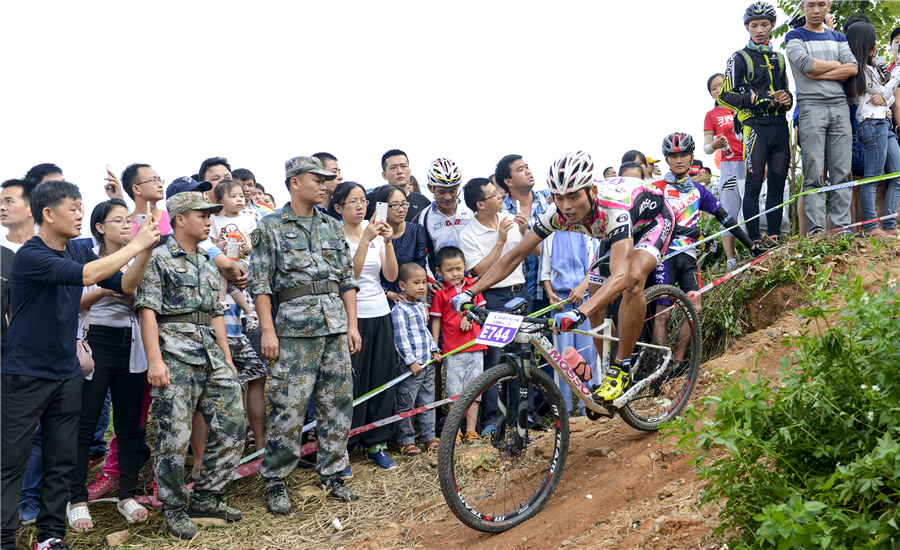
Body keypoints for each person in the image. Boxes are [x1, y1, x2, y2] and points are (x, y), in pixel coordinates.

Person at [1, 180, 159, 550]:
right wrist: (135, 244)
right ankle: (5, 538)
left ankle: (51, 536)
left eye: (81, 206)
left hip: (67, 372)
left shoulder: (75, 249)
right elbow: (88, 278)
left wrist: (145, 251)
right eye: (72, 207)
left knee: (62, 459)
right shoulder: (32, 255)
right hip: (26, 372)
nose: (79, 214)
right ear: (48, 213)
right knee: (11, 461)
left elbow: (123, 284)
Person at [454, 151, 676, 403]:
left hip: (652, 220)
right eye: (559, 198)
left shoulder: (614, 210)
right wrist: (471, 291)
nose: (567, 206)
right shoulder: (555, 214)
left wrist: (577, 312)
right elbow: (515, 255)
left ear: (591, 192)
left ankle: (620, 367)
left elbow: (621, 276)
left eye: (573, 196)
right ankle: (608, 365)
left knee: (634, 280)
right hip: (610, 231)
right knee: (596, 298)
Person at [249, 156, 361, 514]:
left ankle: (333, 473)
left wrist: (352, 324)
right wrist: (268, 329)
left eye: (327, 179)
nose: (325, 184)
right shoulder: (270, 226)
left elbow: (346, 280)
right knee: (288, 407)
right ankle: (276, 480)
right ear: (295, 182)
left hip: (334, 326)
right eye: (318, 179)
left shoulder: (331, 226)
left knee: (337, 403)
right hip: (294, 331)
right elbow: (260, 285)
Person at [136, 190, 244, 539]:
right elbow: (147, 311)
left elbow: (215, 316)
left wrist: (227, 360)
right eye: (203, 214)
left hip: (211, 354)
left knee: (233, 424)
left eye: (211, 214)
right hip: (175, 356)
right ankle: (175, 507)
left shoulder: (207, 264)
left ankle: (208, 496)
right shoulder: (158, 259)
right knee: (173, 439)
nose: (209, 220)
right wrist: (155, 360)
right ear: (180, 219)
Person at [68, 199, 151, 530]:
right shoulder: (84, 259)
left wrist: (128, 291)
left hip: (132, 346)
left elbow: (144, 300)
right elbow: (73, 304)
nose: (126, 225)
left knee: (131, 425)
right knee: (86, 425)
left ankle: (127, 495)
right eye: (117, 221)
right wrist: (105, 290)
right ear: (100, 227)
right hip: (95, 342)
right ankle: (77, 499)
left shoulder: (141, 257)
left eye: (128, 220)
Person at [653, 134, 761, 363]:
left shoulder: (698, 191)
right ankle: (659, 364)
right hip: (664, 257)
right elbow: (656, 222)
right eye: (673, 156)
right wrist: (692, 233)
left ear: (692, 156)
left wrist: (750, 244)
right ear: (667, 159)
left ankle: (679, 362)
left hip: (688, 257)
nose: (679, 160)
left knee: (696, 307)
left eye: (683, 155)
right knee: (663, 315)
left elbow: (726, 219)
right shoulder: (657, 188)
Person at [328, 181, 399, 471]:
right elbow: (349, 277)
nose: (360, 206)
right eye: (353, 202)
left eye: (363, 201)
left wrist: (388, 241)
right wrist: (366, 241)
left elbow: (391, 276)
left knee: (381, 380)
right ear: (338, 208)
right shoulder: (335, 237)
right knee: (351, 385)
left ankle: (376, 444)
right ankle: (343, 449)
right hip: (352, 317)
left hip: (381, 312)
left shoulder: (377, 235)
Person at [459, 177, 532, 434]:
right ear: (480, 204)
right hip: (494, 299)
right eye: (494, 194)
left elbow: (537, 253)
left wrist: (525, 232)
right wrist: (500, 240)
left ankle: (526, 416)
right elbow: (479, 270)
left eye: (499, 192)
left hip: (521, 293)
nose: (500, 196)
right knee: (495, 360)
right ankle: (491, 421)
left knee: (525, 355)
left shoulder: (511, 220)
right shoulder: (468, 233)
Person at [718, 2, 793, 247]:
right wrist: (754, 99)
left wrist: (787, 99)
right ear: (746, 28)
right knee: (753, 183)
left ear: (772, 25)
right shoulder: (738, 57)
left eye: (764, 24)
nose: (759, 30)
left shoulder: (779, 58)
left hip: (780, 126)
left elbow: (788, 94)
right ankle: (754, 240)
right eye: (754, 25)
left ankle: (774, 236)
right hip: (754, 127)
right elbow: (723, 96)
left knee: (778, 184)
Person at [785, 0, 858, 235]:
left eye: (822, 4)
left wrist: (819, 73)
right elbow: (806, 65)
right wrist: (837, 66)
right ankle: (816, 232)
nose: (816, 10)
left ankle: (840, 228)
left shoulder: (838, 36)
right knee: (814, 171)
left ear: (828, 6)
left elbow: (853, 67)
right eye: (811, 4)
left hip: (839, 107)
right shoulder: (794, 36)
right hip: (810, 107)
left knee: (842, 171)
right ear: (802, 7)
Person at [210, 179, 267, 451]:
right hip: (226, 277)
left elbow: (260, 246)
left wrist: (249, 249)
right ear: (220, 200)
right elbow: (210, 247)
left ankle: (259, 441)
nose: (240, 200)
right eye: (233, 196)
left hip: (248, 275)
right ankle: (229, 445)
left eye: (242, 195)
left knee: (255, 376)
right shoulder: (213, 222)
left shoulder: (252, 218)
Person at [846, 21, 900, 237]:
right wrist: (897, 74)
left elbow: (886, 98)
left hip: (884, 125)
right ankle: (870, 226)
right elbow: (885, 92)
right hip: (871, 125)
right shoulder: (860, 70)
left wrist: (886, 94)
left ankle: (888, 224)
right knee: (873, 176)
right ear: (864, 43)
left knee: (897, 174)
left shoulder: (874, 68)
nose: (877, 43)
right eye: (873, 39)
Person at [430, 246, 488, 442]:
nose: (455, 274)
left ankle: (471, 430)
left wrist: (470, 318)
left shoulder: (473, 289)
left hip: (476, 347)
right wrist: (435, 346)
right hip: (452, 350)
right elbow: (436, 320)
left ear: (465, 266)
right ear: (439, 272)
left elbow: (482, 312)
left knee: (474, 390)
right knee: (454, 391)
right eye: (449, 270)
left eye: (458, 268)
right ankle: (455, 430)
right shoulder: (440, 294)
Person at [539, 225, 597, 416]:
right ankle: (565, 409)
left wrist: (583, 286)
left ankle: (588, 405)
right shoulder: (551, 234)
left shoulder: (587, 232)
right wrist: (550, 294)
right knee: (562, 356)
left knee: (587, 352)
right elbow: (545, 269)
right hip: (560, 303)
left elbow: (594, 265)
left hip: (586, 299)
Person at [392, 262, 443, 455]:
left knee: (427, 402)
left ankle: (429, 437)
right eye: (416, 283)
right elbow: (400, 338)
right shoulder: (400, 310)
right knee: (406, 402)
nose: (422, 287)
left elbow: (426, 332)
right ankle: (406, 441)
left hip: (427, 364)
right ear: (403, 286)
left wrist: (434, 349)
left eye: (424, 282)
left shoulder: (421, 307)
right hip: (411, 367)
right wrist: (410, 361)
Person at [496, 154, 553, 312]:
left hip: (556, 289)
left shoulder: (551, 200)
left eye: (527, 167)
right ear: (508, 181)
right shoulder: (502, 213)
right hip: (522, 293)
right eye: (521, 169)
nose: (528, 171)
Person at [705, 73, 745, 268]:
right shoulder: (711, 116)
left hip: (750, 162)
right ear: (711, 94)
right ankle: (731, 260)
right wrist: (714, 144)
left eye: (722, 84)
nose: (718, 89)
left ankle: (759, 247)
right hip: (729, 167)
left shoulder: (742, 107)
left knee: (755, 205)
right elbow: (706, 148)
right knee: (729, 212)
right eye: (714, 88)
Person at [414, 158, 473, 277]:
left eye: (453, 191)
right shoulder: (423, 217)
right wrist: (431, 283)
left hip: (474, 280)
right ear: (431, 188)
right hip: (443, 284)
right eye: (442, 192)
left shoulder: (470, 209)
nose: (448, 197)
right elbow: (421, 256)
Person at [375, 184, 427, 304]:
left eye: (404, 204)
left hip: (412, 295)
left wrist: (424, 303)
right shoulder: (374, 234)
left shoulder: (416, 230)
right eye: (395, 205)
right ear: (381, 207)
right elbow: (372, 274)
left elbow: (421, 268)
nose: (401, 209)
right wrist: (389, 294)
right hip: (383, 297)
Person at [1, 179, 36, 253]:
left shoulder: (52, 248)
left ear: (31, 208)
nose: (2, 207)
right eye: (0, 203)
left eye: (9, 201)